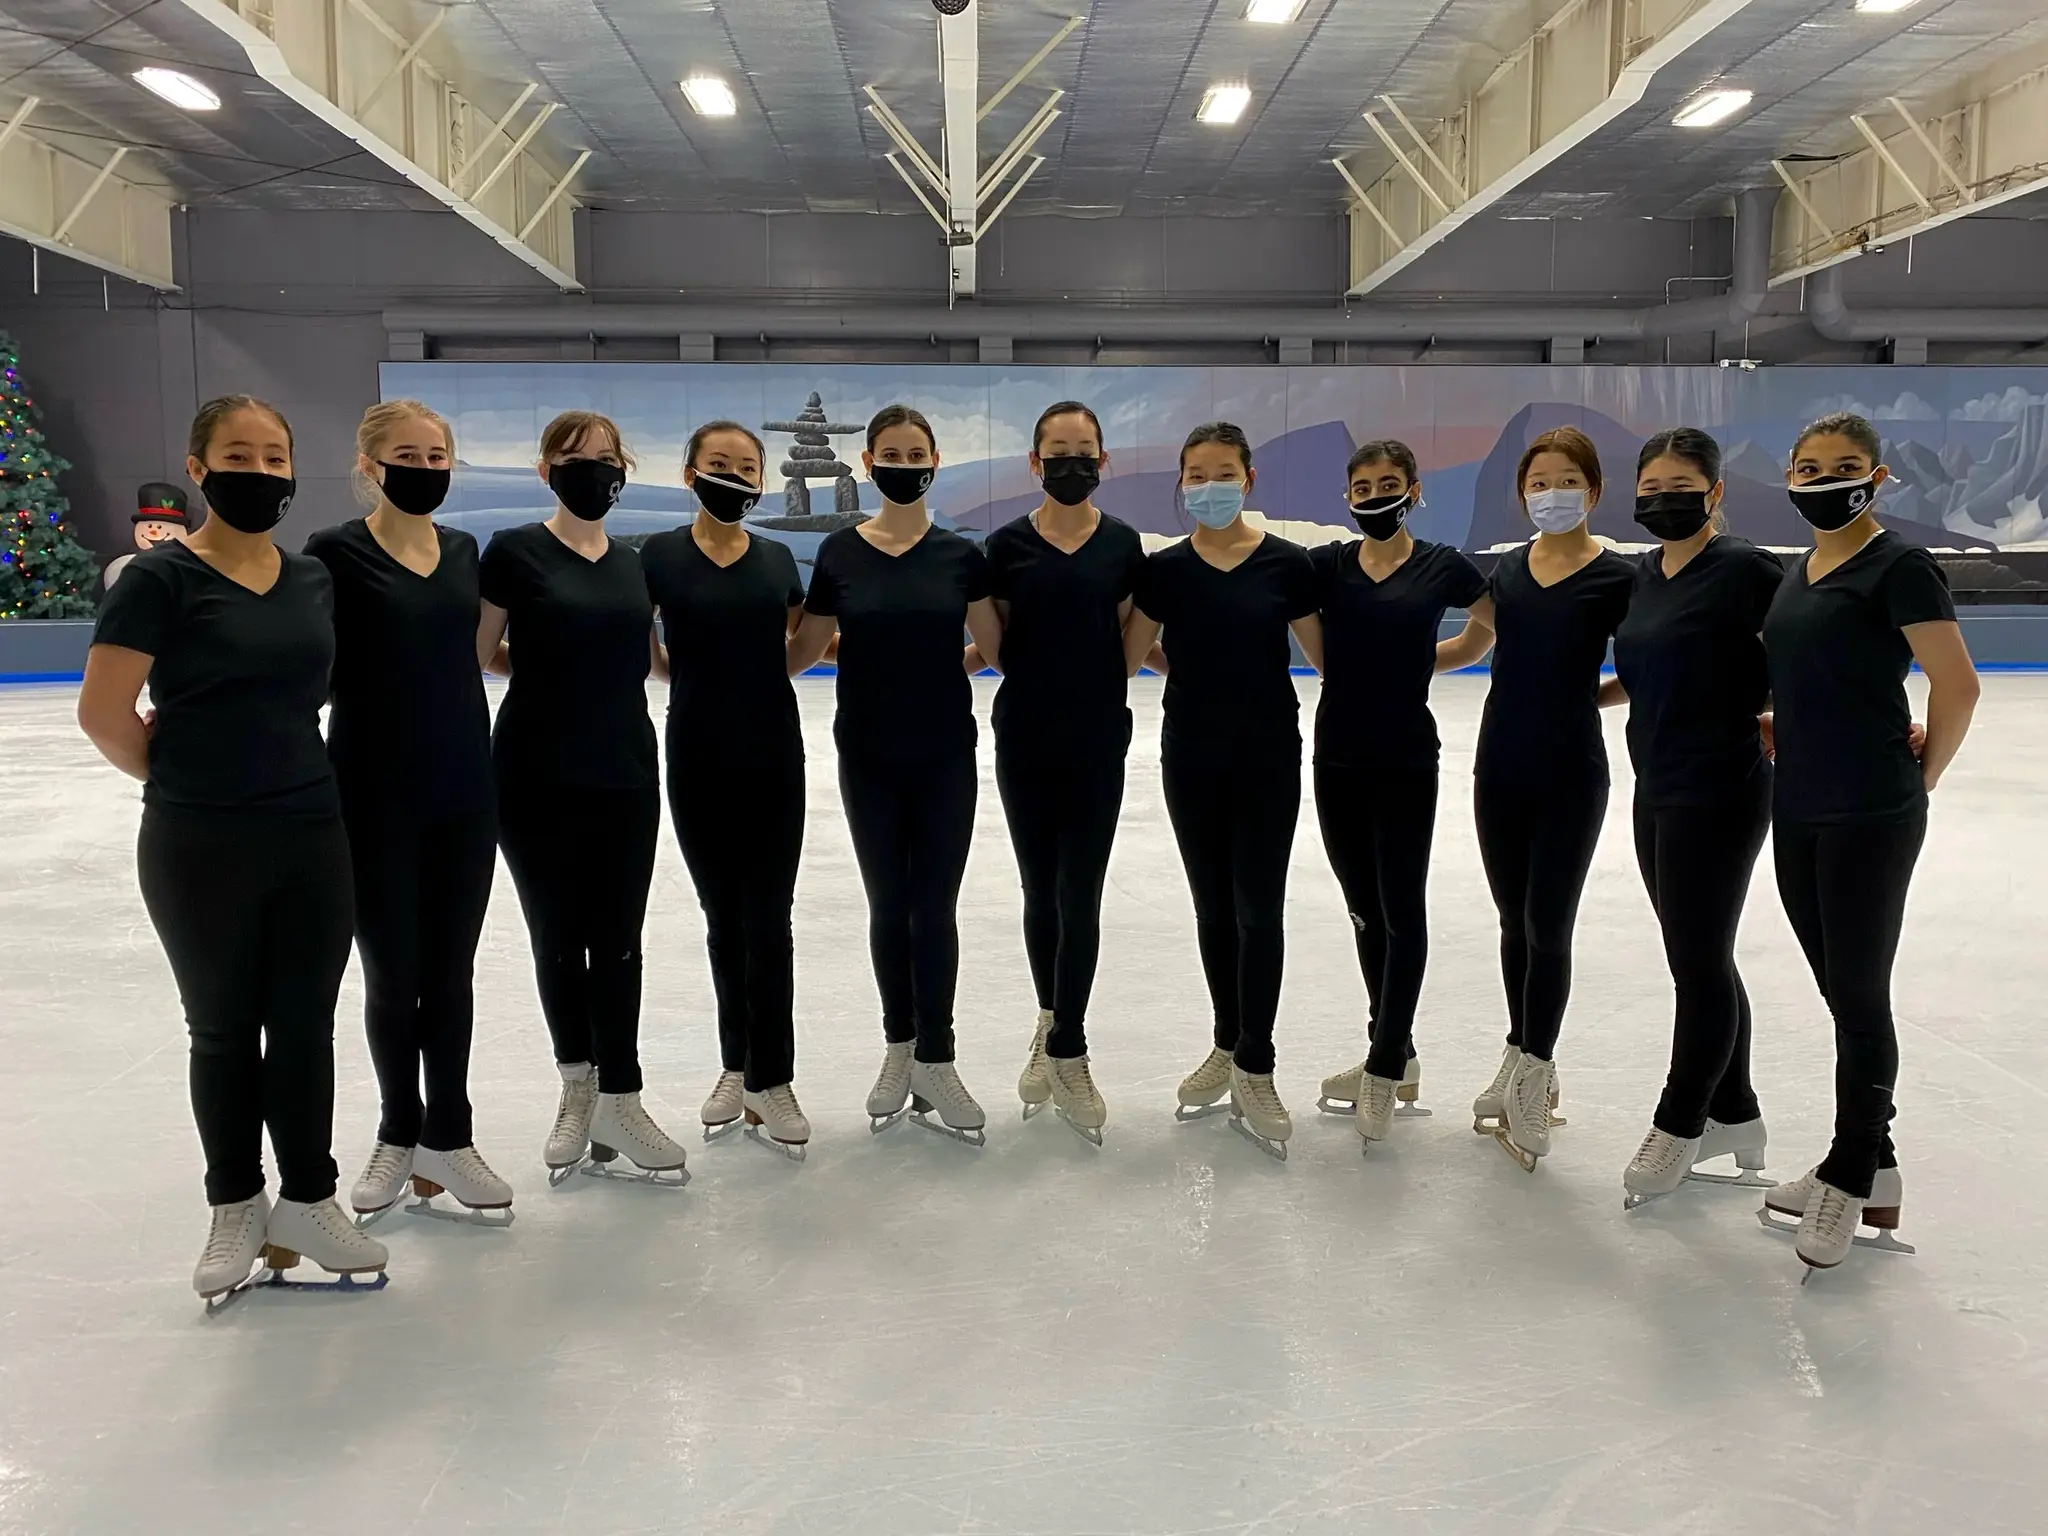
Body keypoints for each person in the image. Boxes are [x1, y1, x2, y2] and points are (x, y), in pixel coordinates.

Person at [79, 396, 387, 1300]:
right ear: (200, 468)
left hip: (310, 830)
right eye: (238, 456)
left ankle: (309, 1201)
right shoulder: (159, 580)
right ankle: (236, 1206)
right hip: (197, 839)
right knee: (220, 1030)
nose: (260, 471)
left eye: (274, 457)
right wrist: (184, 783)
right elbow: (104, 714)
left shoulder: (311, 582)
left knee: (303, 1027)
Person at [1758, 410, 1978, 1273]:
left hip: (1868, 811)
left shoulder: (1900, 566)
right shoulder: (1800, 572)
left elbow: (1955, 685)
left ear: (1877, 477)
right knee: (1840, 990)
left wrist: (1918, 780)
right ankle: (1874, 1166)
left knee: (1859, 992)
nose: (1823, 480)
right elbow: (1817, 672)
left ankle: (1852, 1170)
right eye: (1808, 466)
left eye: (1843, 466)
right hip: (1799, 801)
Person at [307, 400, 509, 1225]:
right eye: (408, 455)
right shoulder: (334, 554)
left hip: (464, 787)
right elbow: (306, 660)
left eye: (438, 455)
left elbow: (484, 653)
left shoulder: (464, 552)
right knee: (393, 973)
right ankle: (399, 1128)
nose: (425, 467)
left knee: (450, 972)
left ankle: (449, 1135)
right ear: (368, 465)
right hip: (371, 792)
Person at [476, 410, 686, 1184]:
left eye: (604, 459)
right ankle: (579, 1086)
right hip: (533, 767)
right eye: (574, 459)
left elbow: (653, 661)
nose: (591, 471)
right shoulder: (515, 552)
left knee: (619, 938)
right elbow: (479, 649)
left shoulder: (633, 565)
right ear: (545, 471)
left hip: (626, 766)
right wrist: (544, 675)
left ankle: (621, 1096)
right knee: (559, 936)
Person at [787, 405, 1004, 1145]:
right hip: (869, 756)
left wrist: (948, 670)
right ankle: (899, 1047)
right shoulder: (843, 555)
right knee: (889, 903)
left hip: (945, 753)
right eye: (890, 453)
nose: (903, 463)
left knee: (933, 906)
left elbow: (993, 646)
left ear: (934, 461)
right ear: (870, 463)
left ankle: (937, 1055)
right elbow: (808, 647)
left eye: (916, 452)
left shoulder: (959, 557)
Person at [1121, 422, 1322, 1160]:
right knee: (1212, 906)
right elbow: (1133, 653)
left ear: (1248, 479)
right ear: (1181, 482)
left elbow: (1325, 654)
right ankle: (1226, 1041)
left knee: (1257, 908)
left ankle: (1258, 1063)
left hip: (1268, 753)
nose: (1209, 486)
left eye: (1223, 472)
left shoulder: (1288, 565)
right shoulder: (1165, 571)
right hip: (1192, 755)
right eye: (1196, 474)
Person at [1607, 429, 1784, 1206]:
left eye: (1680, 484)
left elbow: (1801, 654)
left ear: (1715, 493)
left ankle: (1680, 1122)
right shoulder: (1644, 574)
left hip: (1721, 785)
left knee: (1698, 963)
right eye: (1650, 486)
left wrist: (1791, 714)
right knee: (1701, 953)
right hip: (1655, 778)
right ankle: (1735, 1112)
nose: (1662, 498)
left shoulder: (1745, 570)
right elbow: (1647, 671)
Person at [1310, 440, 1494, 1147]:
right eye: (1362, 485)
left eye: (1390, 483)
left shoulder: (1441, 565)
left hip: (1406, 761)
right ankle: (1396, 1048)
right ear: (1348, 496)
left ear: (1415, 491)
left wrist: (1439, 658)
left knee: (1400, 908)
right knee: (1363, 911)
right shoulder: (1328, 566)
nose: (1375, 495)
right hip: (1337, 760)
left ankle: (1385, 1063)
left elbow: (1491, 628)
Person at [641, 421, 811, 1158]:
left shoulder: (777, 560)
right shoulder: (658, 556)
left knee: (769, 921)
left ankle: (773, 1076)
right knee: (722, 918)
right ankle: (735, 1065)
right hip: (697, 751)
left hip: (774, 752)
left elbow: (803, 642)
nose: (733, 476)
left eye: (747, 467)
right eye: (719, 464)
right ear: (690, 473)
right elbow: (650, 653)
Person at [978, 401, 1144, 1145]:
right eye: (1057, 449)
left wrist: (1096, 694)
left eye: (1085, 451)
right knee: (1038, 889)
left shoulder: (1123, 546)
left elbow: (1130, 642)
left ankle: (1070, 1046)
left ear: (1102, 462)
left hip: (1095, 737)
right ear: (1035, 462)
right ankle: (1050, 1020)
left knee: (1082, 890)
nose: (1072, 461)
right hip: (1025, 737)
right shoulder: (1006, 546)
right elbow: (996, 644)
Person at [1471, 425, 1634, 1171]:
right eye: (1538, 483)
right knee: (1512, 919)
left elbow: (1645, 660)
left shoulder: (1619, 578)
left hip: (1571, 769)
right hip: (1499, 763)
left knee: (1548, 921)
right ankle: (1521, 1048)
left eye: (1566, 481)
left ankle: (1536, 1071)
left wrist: (1583, 699)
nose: (1551, 494)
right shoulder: (1505, 572)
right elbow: (1475, 646)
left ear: (1593, 491)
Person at [103, 482, 190, 590]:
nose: (154, 532)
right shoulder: (123, 567)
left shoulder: (187, 570)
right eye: (149, 526)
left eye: (159, 527)